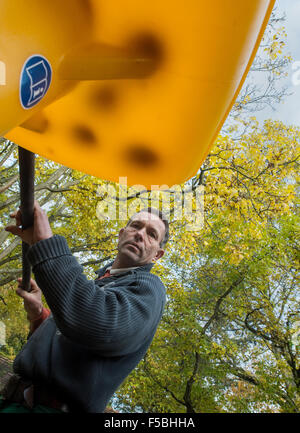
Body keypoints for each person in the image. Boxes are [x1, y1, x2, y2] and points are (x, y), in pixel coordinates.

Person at [0, 201, 169, 413]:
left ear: (157, 255)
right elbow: (68, 338)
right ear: (121, 233)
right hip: (13, 401)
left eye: (152, 234)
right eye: (136, 226)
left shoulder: (150, 289)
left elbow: (102, 326)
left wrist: (46, 244)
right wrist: (39, 315)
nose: (140, 234)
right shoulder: (95, 287)